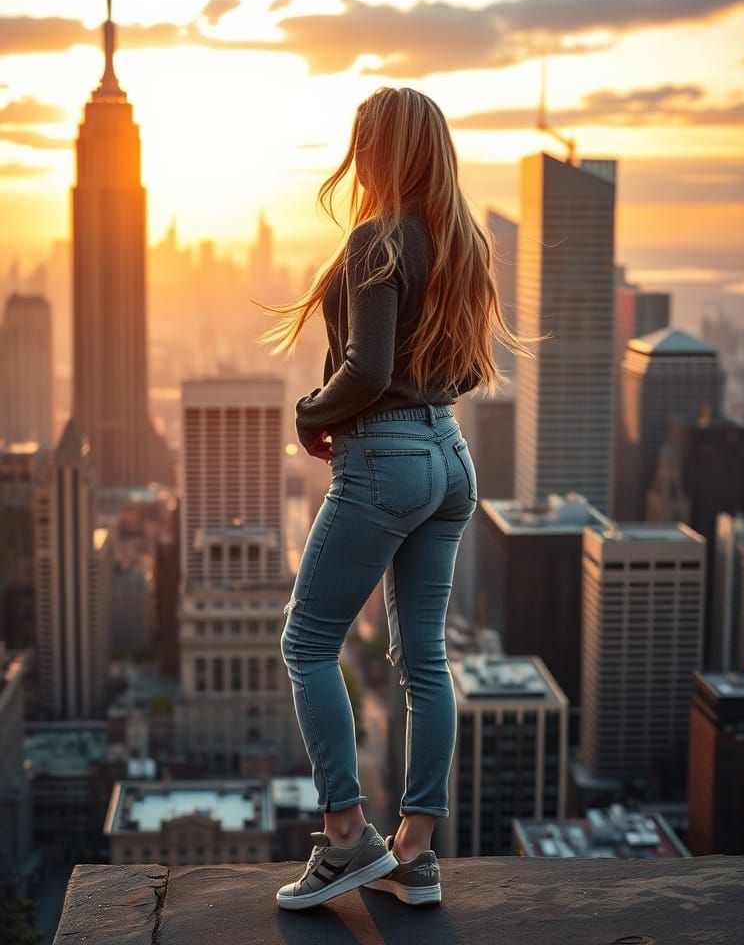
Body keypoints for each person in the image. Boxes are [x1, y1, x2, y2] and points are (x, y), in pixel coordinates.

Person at [251, 86, 550, 910]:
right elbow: (464, 372)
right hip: (449, 457)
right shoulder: (464, 244)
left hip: (385, 459)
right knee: (425, 661)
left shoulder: (375, 240)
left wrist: (312, 414)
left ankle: (347, 835)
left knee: (308, 641)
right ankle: (414, 856)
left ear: (379, 151)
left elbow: (370, 369)